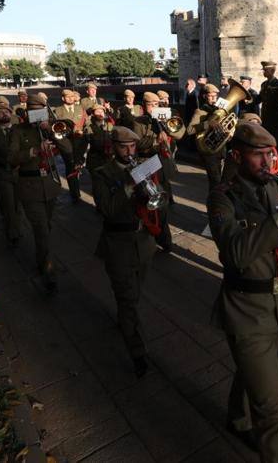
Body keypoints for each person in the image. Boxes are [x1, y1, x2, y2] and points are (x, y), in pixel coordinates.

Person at [207, 122, 278, 461]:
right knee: (271, 411)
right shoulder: (222, 197)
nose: (268, 163)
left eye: (270, 154)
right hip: (245, 311)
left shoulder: (271, 187)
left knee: (251, 372)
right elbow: (236, 254)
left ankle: (237, 417)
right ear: (238, 156)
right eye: (258, 155)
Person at [92, 126, 159, 377]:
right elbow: (107, 208)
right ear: (114, 147)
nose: (129, 152)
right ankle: (137, 351)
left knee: (135, 294)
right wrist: (129, 185)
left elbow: (166, 184)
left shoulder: (143, 165)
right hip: (117, 243)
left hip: (143, 242)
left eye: (133, 147)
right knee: (128, 300)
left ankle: (126, 321)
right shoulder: (102, 173)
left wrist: (159, 157)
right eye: (124, 147)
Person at [8, 92, 71, 294]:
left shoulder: (52, 128)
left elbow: (68, 149)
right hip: (29, 185)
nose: (38, 115)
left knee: (47, 226)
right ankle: (48, 271)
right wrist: (34, 151)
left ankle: (41, 257)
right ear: (28, 112)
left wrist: (51, 131)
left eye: (41, 112)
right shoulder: (18, 130)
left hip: (50, 185)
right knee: (42, 229)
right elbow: (11, 158)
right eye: (35, 112)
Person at [131, 91, 185, 252]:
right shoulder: (138, 122)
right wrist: (155, 139)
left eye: (156, 104)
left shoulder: (165, 116)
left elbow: (181, 133)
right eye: (150, 105)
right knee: (151, 204)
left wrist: (168, 129)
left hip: (163, 165)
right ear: (143, 106)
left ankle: (162, 237)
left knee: (164, 203)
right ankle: (160, 238)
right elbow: (138, 144)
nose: (154, 107)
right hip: (147, 164)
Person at [0, 98, 22, 246]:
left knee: (17, 204)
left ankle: (16, 226)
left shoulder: (19, 131)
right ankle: (12, 232)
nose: (3, 114)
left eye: (6, 112)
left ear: (11, 114)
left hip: (20, 173)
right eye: (0, 112)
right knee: (7, 204)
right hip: (2, 173)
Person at [187, 83, 226, 187]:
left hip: (221, 150)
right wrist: (207, 124)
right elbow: (189, 130)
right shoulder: (200, 112)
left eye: (215, 96)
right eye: (211, 96)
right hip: (209, 151)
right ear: (204, 96)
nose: (214, 98)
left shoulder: (220, 111)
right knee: (215, 182)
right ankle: (215, 201)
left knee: (222, 181)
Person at [54, 88, 87, 201]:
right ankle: (75, 193)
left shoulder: (80, 108)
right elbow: (55, 128)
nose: (70, 98)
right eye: (67, 97)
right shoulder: (57, 111)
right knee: (70, 165)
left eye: (72, 96)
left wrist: (85, 131)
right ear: (63, 98)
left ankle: (76, 188)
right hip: (65, 142)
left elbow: (87, 123)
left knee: (78, 164)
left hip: (80, 141)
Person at [259, 60, 278, 144]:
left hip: (275, 118)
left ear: (272, 70)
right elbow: (260, 98)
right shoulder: (264, 84)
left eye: (265, 70)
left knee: (276, 141)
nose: (263, 72)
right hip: (265, 117)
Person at [84, 103, 115, 175]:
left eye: (102, 111)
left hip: (109, 159)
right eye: (97, 111)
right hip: (95, 160)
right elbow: (84, 144)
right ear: (93, 114)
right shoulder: (89, 127)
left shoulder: (110, 125)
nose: (100, 113)